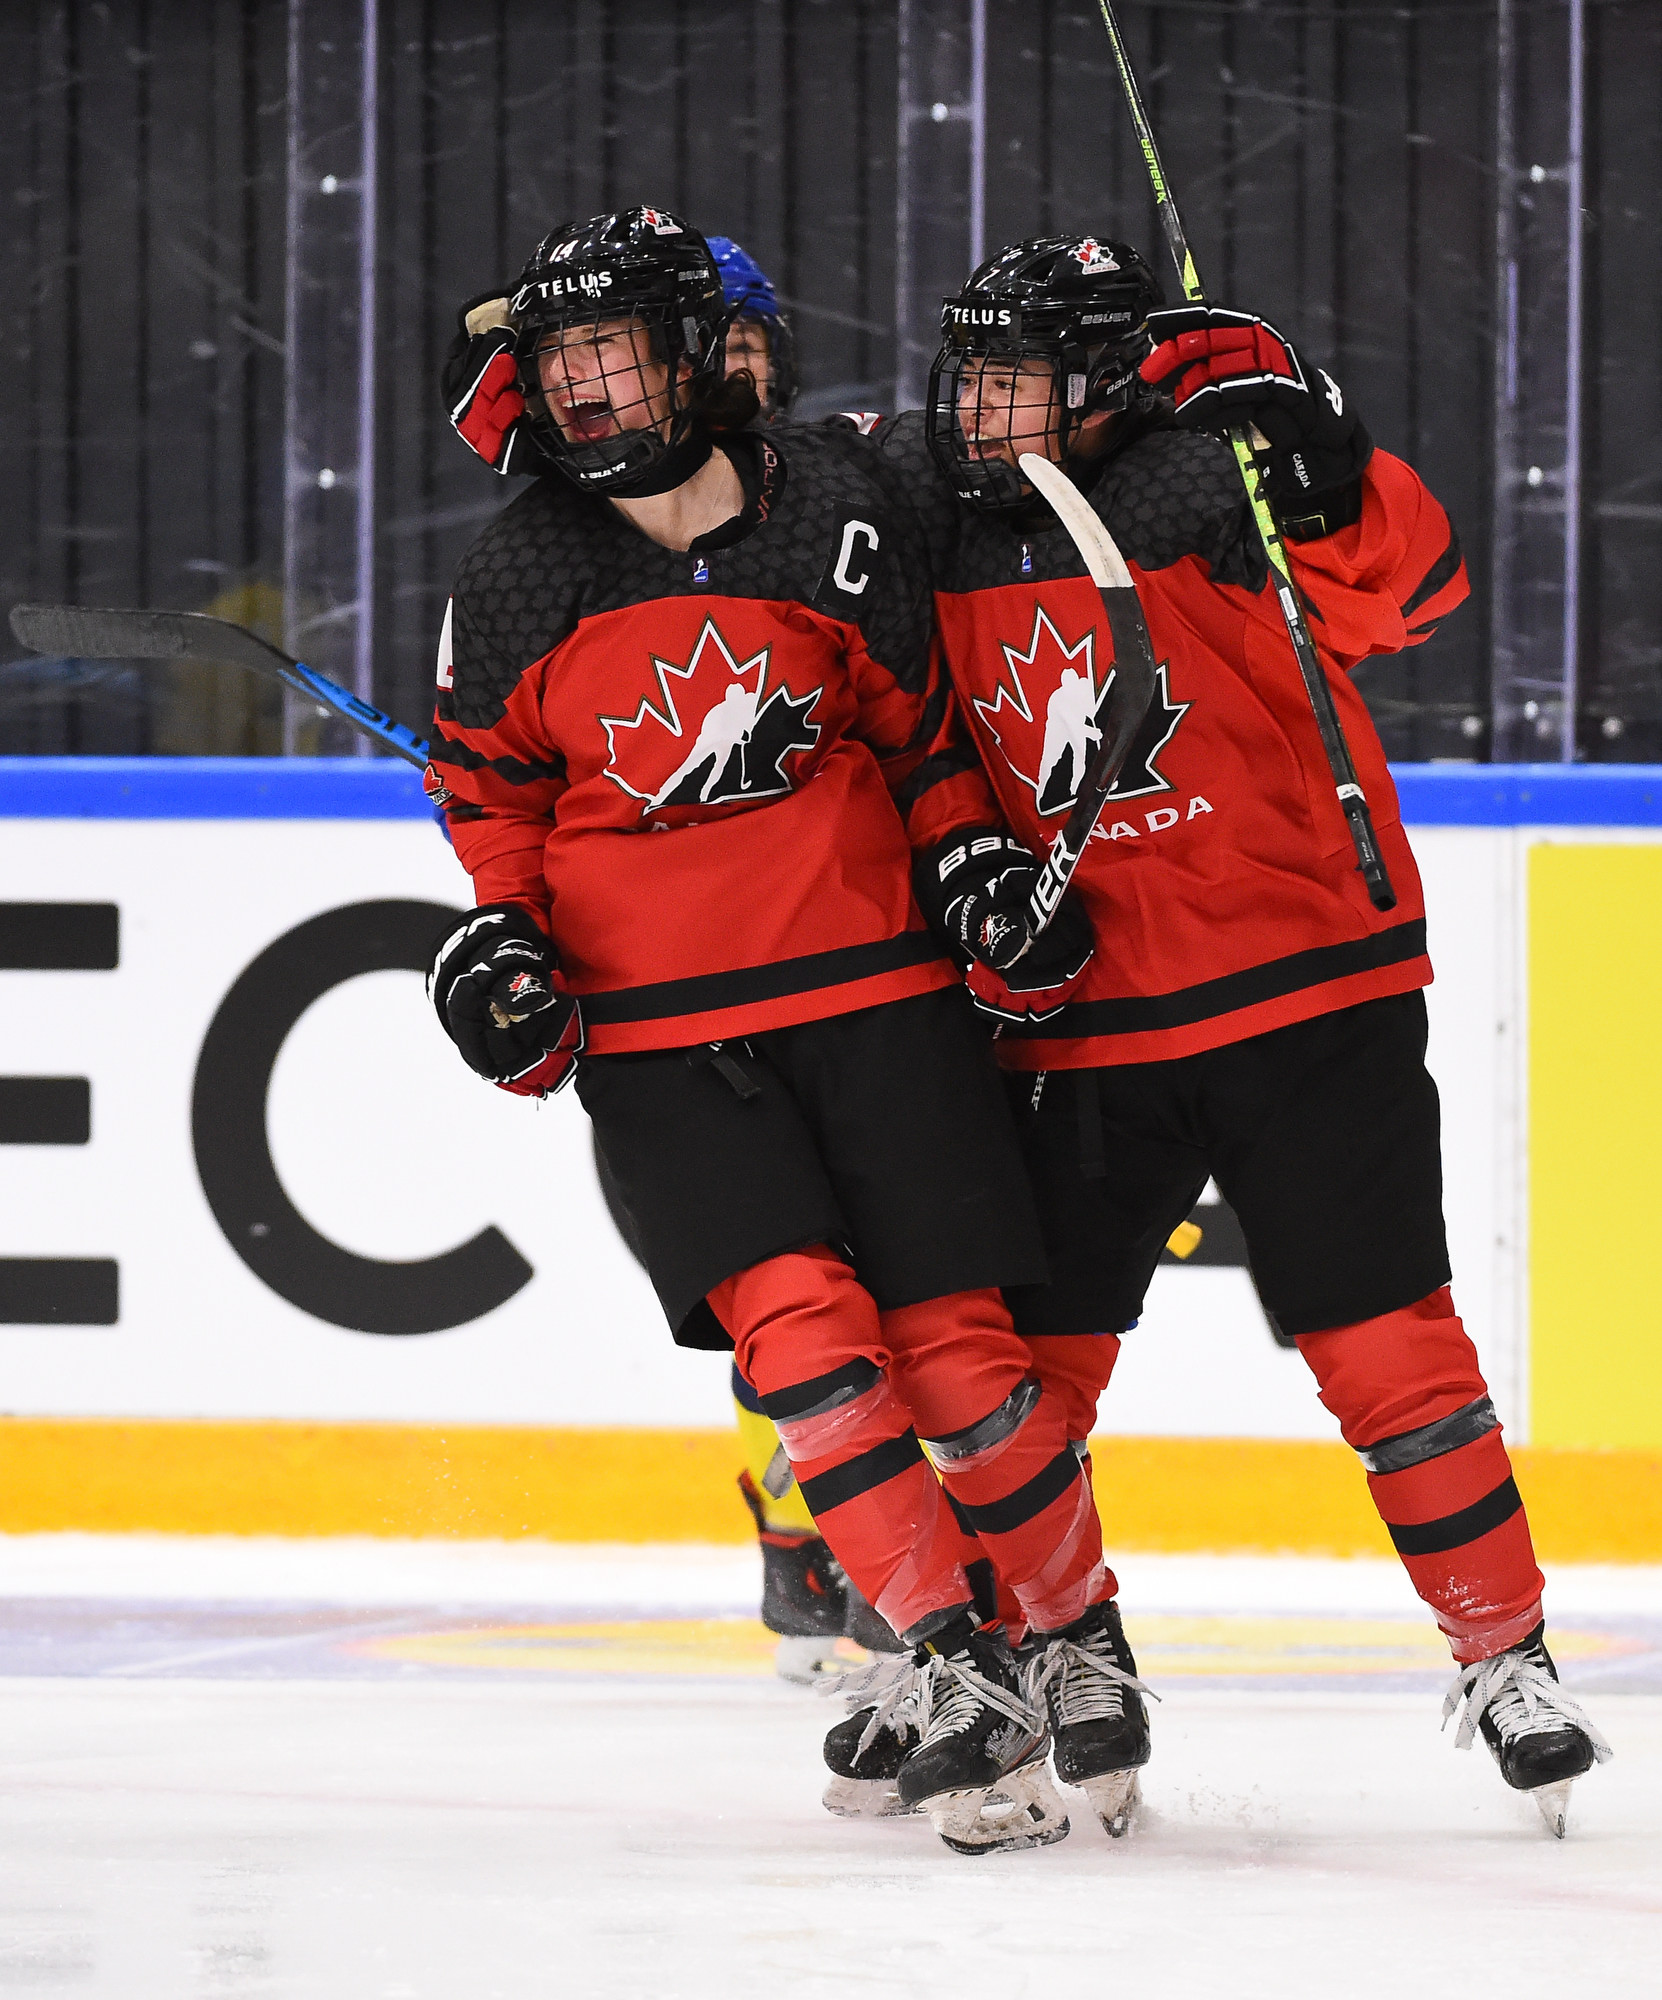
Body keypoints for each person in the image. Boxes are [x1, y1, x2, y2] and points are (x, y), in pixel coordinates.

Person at [846, 230, 1610, 1834]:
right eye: (968, 381)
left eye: (1020, 386)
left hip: (1305, 992)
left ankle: (1506, 1649)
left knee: (1388, 1342)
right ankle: (1034, 1655)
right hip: (1077, 1027)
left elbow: (1413, 593)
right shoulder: (922, 508)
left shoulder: (1218, 475)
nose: (982, 416)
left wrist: (1321, 445)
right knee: (1024, 1377)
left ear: (1112, 386)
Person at [423, 205, 1131, 1853]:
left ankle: (1078, 1635)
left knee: (960, 1362)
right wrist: (502, 949)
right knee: (802, 1347)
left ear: (692, 358)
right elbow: (489, 810)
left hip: (874, 999)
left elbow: (921, 733)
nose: (584, 390)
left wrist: (966, 864)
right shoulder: (520, 565)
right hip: (667, 1036)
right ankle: (949, 1662)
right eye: (557, 362)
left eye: (610, 353)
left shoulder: (835, 507)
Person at [445, 230, 902, 1682]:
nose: (750, 374)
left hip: (881, 949)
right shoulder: (564, 549)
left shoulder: (844, 492)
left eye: (762, 349)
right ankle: (810, 1528)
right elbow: (516, 782)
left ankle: (912, 1554)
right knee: (788, 1278)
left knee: (924, 1281)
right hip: (702, 993)